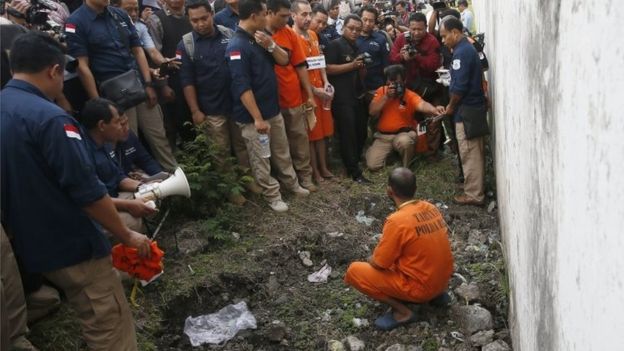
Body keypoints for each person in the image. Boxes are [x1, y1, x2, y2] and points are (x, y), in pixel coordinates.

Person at [1, 32, 151, 350]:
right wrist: (127, 236)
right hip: (71, 241)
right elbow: (87, 192)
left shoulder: (4, 108)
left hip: (33, 244)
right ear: (54, 71)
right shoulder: (53, 120)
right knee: (107, 319)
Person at [65, 0, 177, 171]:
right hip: (113, 94)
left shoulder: (120, 14)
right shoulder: (76, 21)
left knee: (159, 136)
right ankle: (138, 189)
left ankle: (173, 179)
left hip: (138, 84)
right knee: (126, 142)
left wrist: (147, 84)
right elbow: (82, 66)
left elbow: (138, 50)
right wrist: (99, 104)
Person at [344, 167, 454, 331]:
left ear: (389, 191)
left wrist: (370, 259)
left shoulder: (397, 220)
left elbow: (380, 263)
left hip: (422, 289)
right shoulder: (430, 208)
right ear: (415, 189)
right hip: (444, 280)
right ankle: (437, 296)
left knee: (354, 271)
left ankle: (403, 312)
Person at [226, 0, 310, 212]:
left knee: (282, 151)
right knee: (261, 158)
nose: (268, 19)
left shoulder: (261, 38)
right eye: (264, 15)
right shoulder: (237, 45)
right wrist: (257, 118)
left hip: (273, 109)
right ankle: (273, 195)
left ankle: (292, 184)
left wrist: (271, 45)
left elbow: (284, 61)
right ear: (254, 16)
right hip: (254, 117)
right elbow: (242, 86)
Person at [82, 98, 158, 232]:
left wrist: (146, 186)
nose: (122, 128)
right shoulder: (82, 153)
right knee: (131, 222)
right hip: (97, 208)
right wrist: (128, 205)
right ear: (101, 125)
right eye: (117, 122)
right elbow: (93, 199)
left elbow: (119, 178)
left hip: (114, 197)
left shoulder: (104, 143)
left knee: (153, 196)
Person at [266, 0, 317, 192]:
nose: (287, 19)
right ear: (270, 13)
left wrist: (309, 95)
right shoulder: (257, 33)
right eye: (283, 16)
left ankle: (304, 176)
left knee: (298, 137)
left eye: (289, 16)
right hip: (268, 100)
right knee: (276, 143)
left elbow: (301, 66)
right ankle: (282, 179)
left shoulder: (289, 34)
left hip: (291, 95)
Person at [440, 17, 486, 206]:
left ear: (455, 33)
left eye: (444, 36)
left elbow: (460, 87)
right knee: (472, 150)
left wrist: (450, 107)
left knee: (470, 151)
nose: (443, 41)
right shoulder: (465, 49)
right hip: (471, 108)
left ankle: (474, 194)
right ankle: (472, 185)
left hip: (466, 110)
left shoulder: (461, 53)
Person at [367, 65, 445, 170]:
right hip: (384, 137)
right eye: (390, 82)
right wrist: (386, 97)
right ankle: (392, 156)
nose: (393, 86)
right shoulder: (382, 91)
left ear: (404, 81)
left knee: (405, 142)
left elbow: (422, 104)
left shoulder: (409, 95)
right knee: (373, 165)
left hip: (403, 134)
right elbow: (372, 111)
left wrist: (434, 110)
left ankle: (406, 167)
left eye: (396, 83)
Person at [291, 0, 335, 183]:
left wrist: (326, 82)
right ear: (293, 16)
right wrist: (315, 91)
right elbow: (297, 72)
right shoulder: (292, 38)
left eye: (310, 14)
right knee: (310, 135)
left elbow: (320, 61)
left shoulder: (313, 35)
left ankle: (324, 167)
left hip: (322, 93)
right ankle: (314, 171)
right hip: (307, 95)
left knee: (323, 132)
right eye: (304, 14)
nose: (308, 18)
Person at [389, 12, 443, 156]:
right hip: (408, 87)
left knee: (432, 120)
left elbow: (433, 64)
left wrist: (416, 57)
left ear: (426, 27)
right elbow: (392, 59)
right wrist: (402, 56)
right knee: (411, 120)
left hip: (429, 88)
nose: (416, 32)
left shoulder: (432, 41)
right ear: (409, 27)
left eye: (420, 29)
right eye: (413, 29)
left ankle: (432, 153)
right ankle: (415, 150)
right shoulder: (402, 39)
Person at [326, 14, 370, 183]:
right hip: (342, 98)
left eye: (358, 30)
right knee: (348, 134)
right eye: (351, 28)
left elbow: (359, 71)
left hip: (357, 95)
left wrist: (361, 67)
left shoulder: (356, 46)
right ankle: (354, 172)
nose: (354, 32)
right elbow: (328, 69)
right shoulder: (335, 45)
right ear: (343, 27)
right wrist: (352, 65)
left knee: (361, 131)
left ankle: (355, 163)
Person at [357, 6, 389, 98]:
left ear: (375, 22)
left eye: (371, 21)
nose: (367, 23)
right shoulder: (352, 38)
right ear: (359, 19)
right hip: (355, 88)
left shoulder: (381, 39)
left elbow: (386, 64)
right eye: (365, 19)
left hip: (376, 87)